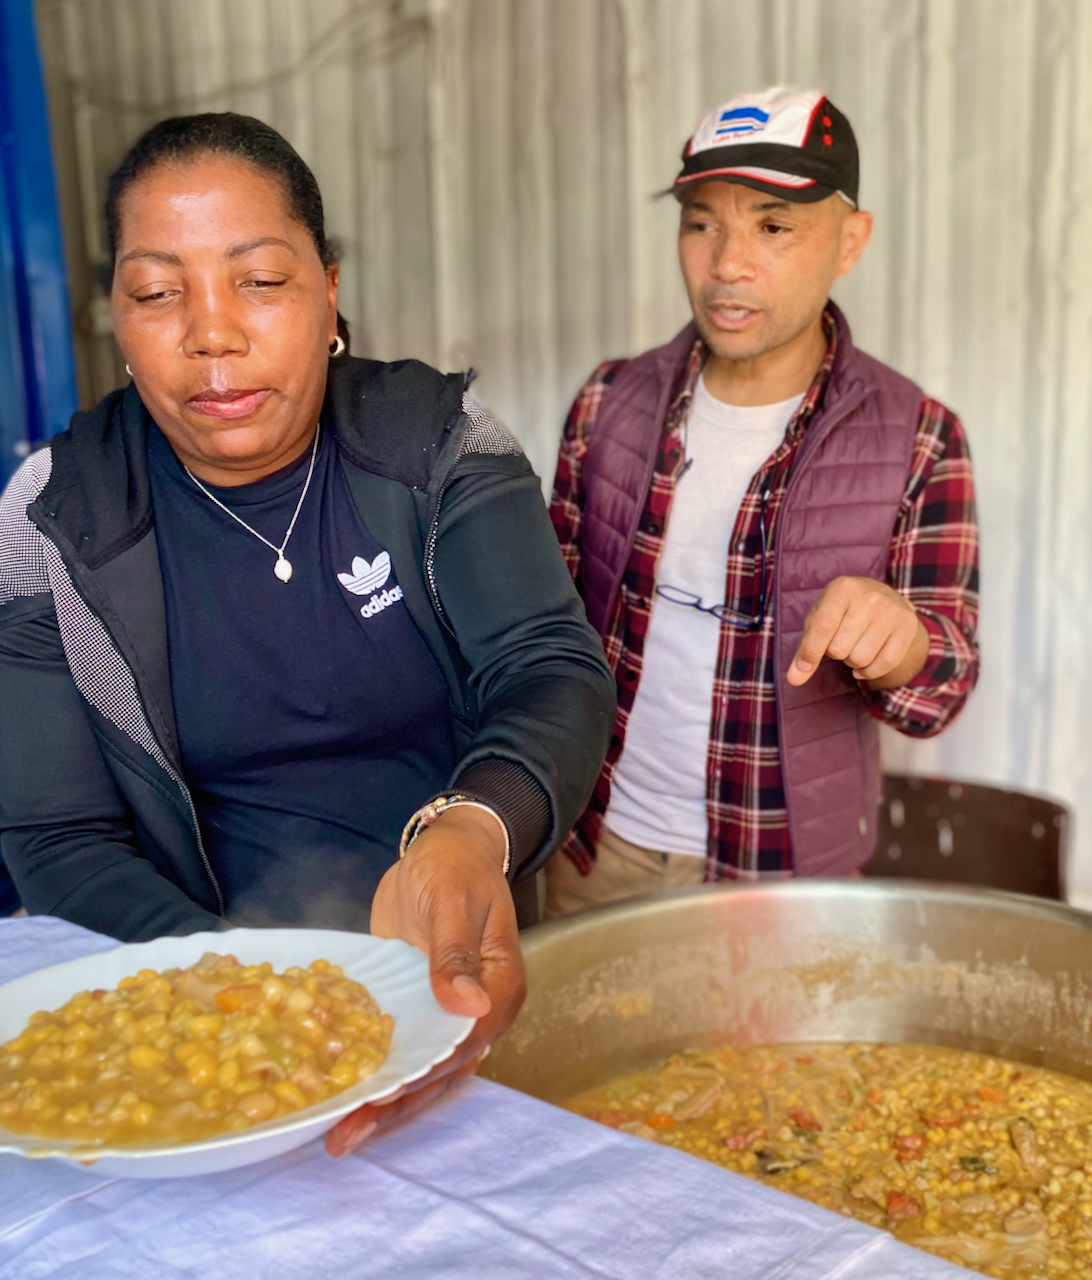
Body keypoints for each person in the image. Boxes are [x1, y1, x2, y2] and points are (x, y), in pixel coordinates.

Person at [0, 113, 614, 1152]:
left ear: (328, 290)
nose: (212, 333)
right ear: (115, 314)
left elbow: (548, 670)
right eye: (158, 292)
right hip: (208, 1002)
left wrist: (469, 833)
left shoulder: (439, 446)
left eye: (259, 280)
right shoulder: (55, 518)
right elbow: (56, 833)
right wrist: (250, 993)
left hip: (456, 961)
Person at [546, 87, 979, 916]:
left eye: (773, 227)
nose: (727, 264)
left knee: (767, 1056)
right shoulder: (609, 404)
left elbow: (942, 689)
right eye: (702, 221)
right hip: (596, 849)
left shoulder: (919, 437)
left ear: (850, 241)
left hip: (783, 878)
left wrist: (902, 643)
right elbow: (548, 641)